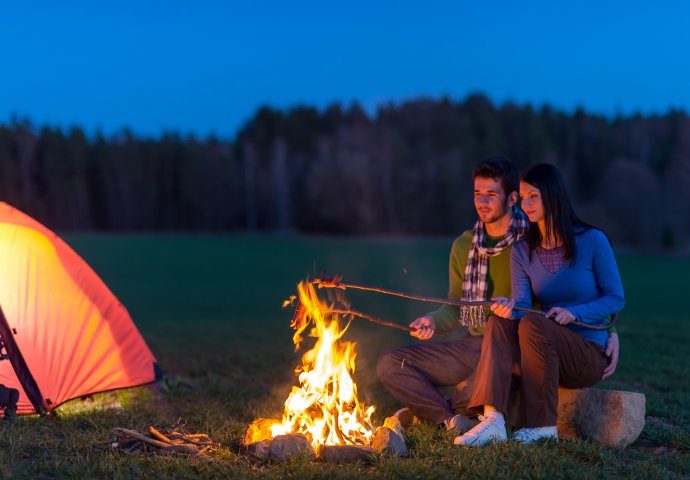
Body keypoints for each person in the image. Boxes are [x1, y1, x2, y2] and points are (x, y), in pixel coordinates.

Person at [454, 163, 624, 446]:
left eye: (533, 197)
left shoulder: (593, 241)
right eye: (522, 198)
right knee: (499, 321)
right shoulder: (522, 250)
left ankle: (542, 426)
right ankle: (492, 419)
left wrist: (575, 313)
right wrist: (509, 307)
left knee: (534, 322)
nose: (526, 204)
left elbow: (615, 297)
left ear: (552, 195)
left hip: (587, 354)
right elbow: (522, 306)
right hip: (542, 352)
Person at [376, 157, 528, 433]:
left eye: (491, 194)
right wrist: (432, 321)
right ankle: (450, 419)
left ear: (512, 198)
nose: (482, 202)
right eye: (477, 194)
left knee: (475, 389)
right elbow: (456, 306)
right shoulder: (464, 245)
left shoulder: (531, 242)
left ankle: (440, 413)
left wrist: (610, 331)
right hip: (472, 344)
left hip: (512, 348)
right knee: (390, 364)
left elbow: (566, 293)